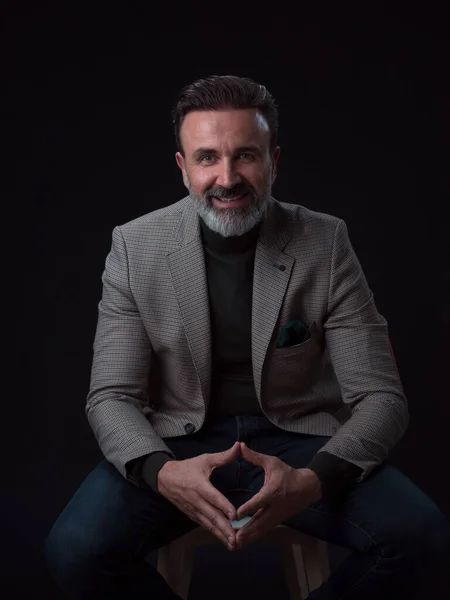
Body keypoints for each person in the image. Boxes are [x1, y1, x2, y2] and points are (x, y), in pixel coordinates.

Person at [44, 75, 450, 599]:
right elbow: (111, 397)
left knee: (422, 539)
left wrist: (313, 479)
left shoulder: (325, 242)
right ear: (183, 167)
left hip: (298, 441)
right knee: (75, 550)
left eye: (246, 157)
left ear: (273, 161)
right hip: (179, 443)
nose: (227, 177)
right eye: (207, 157)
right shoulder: (134, 245)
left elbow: (382, 398)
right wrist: (162, 472)